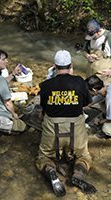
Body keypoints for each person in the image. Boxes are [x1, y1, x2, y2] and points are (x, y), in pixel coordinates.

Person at [36, 50, 97, 197]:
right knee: (84, 156)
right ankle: (78, 174)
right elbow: (87, 104)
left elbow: (43, 109)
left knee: (43, 157)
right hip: (75, 128)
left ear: (54, 67)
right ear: (71, 66)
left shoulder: (45, 85)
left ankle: (51, 171)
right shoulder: (80, 82)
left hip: (52, 128)